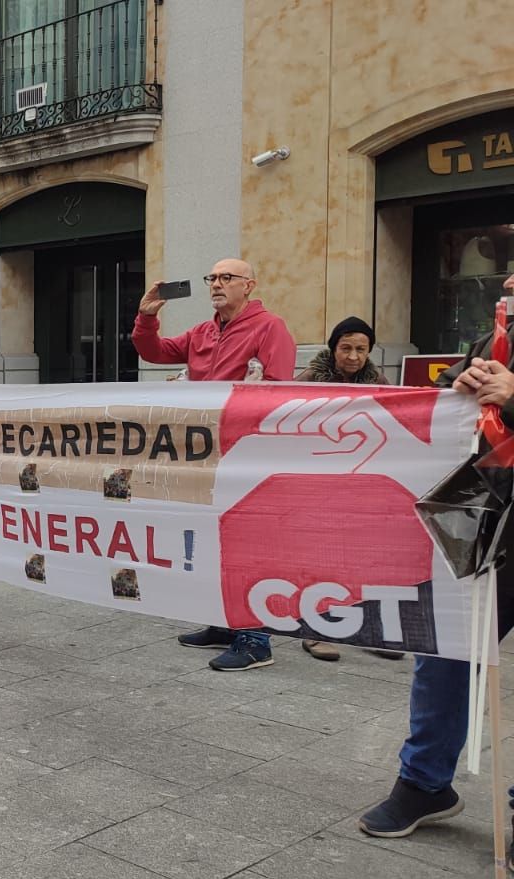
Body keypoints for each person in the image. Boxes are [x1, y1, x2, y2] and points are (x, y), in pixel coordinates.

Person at [358, 272, 514, 840]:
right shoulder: (501, 329)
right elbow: (452, 389)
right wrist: (464, 380)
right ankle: (424, 782)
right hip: (486, 514)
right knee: (445, 647)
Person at [133, 258, 295, 671]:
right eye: (213, 278)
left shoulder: (269, 327)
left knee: (247, 543)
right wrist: (146, 316)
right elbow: (153, 352)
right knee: (211, 537)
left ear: (249, 285)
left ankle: (256, 639)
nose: (217, 284)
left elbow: (277, 391)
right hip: (205, 453)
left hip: (246, 454)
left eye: (227, 278)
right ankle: (224, 622)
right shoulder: (203, 331)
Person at [293, 316, 406, 663]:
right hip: (318, 483)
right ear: (333, 348)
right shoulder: (308, 380)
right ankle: (317, 630)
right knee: (319, 557)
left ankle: (369, 630)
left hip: (360, 483)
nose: (353, 356)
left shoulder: (380, 382)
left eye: (361, 349)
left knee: (362, 557)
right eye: (346, 348)